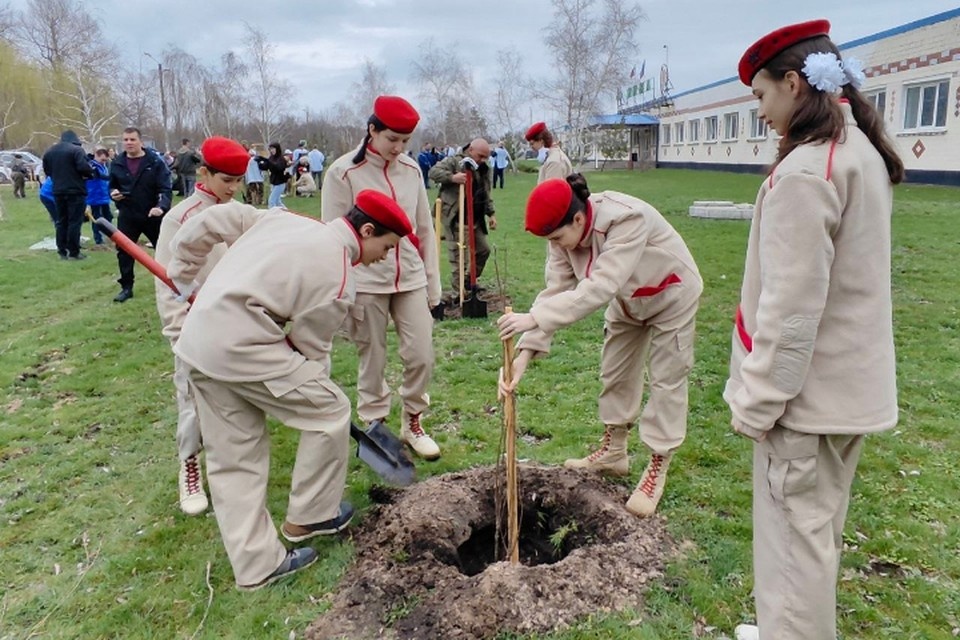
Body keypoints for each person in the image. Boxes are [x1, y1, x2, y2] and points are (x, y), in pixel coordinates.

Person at [727, 20, 904, 640]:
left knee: (791, 553)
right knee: (813, 535)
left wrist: (758, 401)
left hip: (803, 402)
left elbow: (790, 310)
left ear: (794, 84)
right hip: (846, 391)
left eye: (761, 95)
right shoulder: (859, 151)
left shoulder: (807, 171)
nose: (760, 111)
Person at [166, 189, 412, 591]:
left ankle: (257, 566)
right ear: (367, 231)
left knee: (234, 457)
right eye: (386, 247)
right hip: (242, 347)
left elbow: (212, 220)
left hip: (197, 342)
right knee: (330, 411)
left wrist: (182, 273)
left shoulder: (284, 219)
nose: (385, 256)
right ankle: (311, 515)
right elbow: (307, 350)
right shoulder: (339, 278)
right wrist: (314, 389)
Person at [498, 174, 702, 517]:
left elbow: (601, 285)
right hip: (627, 301)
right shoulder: (560, 237)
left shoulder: (625, 219)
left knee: (667, 379)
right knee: (615, 372)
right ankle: (614, 453)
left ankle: (658, 463)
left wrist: (533, 318)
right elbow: (556, 291)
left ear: (579, 219)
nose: (558, 246)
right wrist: (523, 356)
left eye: (558, 238)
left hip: (671, 293)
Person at [322, 95, 443, 461]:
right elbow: (332, 236)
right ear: (372, 130)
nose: (399, 148)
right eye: (392, 138)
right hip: (365, 280)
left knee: (421, 354)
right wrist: (340, 289)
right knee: (372, 358)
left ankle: (413, 421)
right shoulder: (342, 173)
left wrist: (433, 282)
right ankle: (375, 426)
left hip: (411, 277)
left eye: (406, 140)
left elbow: (424, 227)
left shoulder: (412, 170)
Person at [154, 136, 249, 517]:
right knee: (193, 400)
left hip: (238, 323)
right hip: (195, 328)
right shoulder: (180, 219)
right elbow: (168, 283)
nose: (233, 188)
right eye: (227, 179)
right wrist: (180, 333)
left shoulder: (240, 214)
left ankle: (231, 464)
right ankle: (190, 465)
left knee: (236, 401)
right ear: (204, 173)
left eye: (239, 180)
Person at [108, 127, 173, 302]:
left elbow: (165, 189)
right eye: (126, 140)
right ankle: (126, 288)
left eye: (132, 139)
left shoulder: (155, 162)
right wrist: (113, 193)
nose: (129, 143)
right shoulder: (117, 163)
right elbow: (112, 186)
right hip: (128, 214)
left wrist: (161, 207)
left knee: (164, 251)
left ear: (141, 142)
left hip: (152, 214)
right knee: (124, 252)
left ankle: (172, 285)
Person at [429, 138, 497, 297]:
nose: (482, 160)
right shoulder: (454, 162)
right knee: (459, 258)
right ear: (470, 150)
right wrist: (452, 178)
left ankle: (468, 281)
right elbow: (433, 172)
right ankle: (458, 293)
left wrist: (491, 213)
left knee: (483, 251)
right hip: (456, 217)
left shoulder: (484, 168)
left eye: (486, 157)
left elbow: (486, 192)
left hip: (476, 218)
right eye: (480, 156)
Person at [41, 130, 95, 260]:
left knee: (61, 221)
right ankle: (74, 251)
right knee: (74, 221)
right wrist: (90, 173)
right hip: (75, 190)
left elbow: (47, 171)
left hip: (58, 191)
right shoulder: (76, 150)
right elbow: (83, 168)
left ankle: (62, 250)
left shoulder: (49, 152)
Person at [85, 148, 113, 248]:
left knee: (109, 216)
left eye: (105, 160)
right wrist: (113, 177)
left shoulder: (103, 166)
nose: (104, 162)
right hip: (94, 197)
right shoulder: (91, 166)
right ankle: (98, 240)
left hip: (104, 196)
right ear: (96, 156)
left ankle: (109, 235)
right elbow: (101, 176)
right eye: (102, 160)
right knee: (97, 219)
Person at [265, 142, 289, 208]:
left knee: (271, 201)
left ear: (277, 149)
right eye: (270, 149)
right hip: (273, 182)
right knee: (278, 202)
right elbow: (267, 167)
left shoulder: (281, 159)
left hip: (280, 182)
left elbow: (279, 168)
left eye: (273, 149)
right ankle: (286, 212)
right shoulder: (271, 158)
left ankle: (272, 214)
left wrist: (271, 164)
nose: (272, 150)